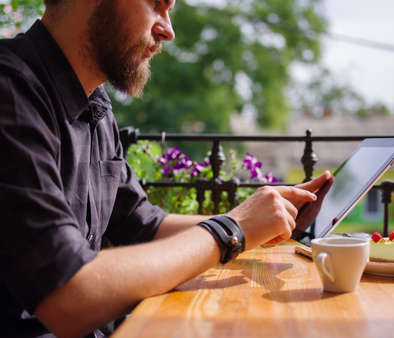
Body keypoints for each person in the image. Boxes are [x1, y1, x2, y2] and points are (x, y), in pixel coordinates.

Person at [0, 0, 332, 337]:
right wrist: (232, 230)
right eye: (157, 4)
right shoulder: (9, 88)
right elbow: (67, 293)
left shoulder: (95, 106)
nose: (168, 30)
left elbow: (144, 224)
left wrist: (256, 225)